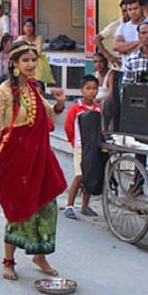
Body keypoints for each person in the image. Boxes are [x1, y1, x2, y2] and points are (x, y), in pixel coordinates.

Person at [0, 41, 67, 281]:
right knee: (18, 210)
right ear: (14, 64)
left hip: (38, 158)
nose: (31, 65)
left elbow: (49, 113)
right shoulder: (3, 92)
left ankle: (39, 255)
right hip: (15, 161)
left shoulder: (33, 89)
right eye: (26, 61)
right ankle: (8, 261)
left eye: (33, 60)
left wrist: (60, 102)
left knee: (47, 207)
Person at [62, 76, 102, 219]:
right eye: (88, 88)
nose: (91, 92)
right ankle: (69, 205)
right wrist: (74, 142)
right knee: (80, 175)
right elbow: (68, 127)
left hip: (92, 146)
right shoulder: (75, 108)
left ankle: (85, 206)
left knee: (90, 176)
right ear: (81, 90)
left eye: (94, 88)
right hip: (79, 146)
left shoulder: (98, 108)